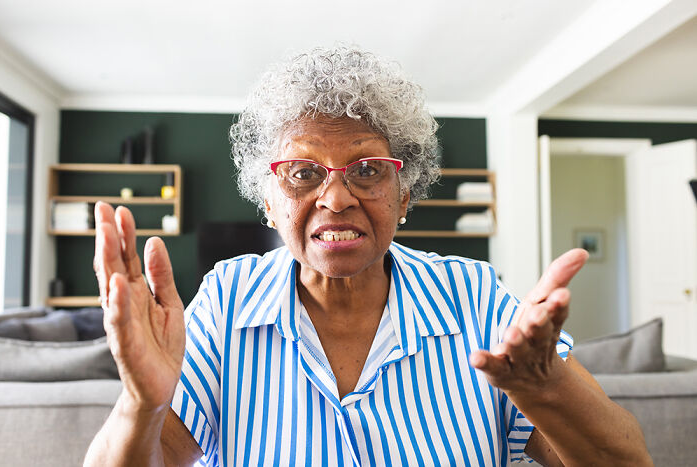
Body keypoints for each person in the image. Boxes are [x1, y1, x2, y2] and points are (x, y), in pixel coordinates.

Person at [85, 45, 651, 466]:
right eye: (303, 173)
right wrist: (141, 403)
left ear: (404, 194)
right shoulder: (226, 300)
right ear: (269, 201)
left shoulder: (473, 297)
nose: (336, 197)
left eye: (368, 170)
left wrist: (547, 389)